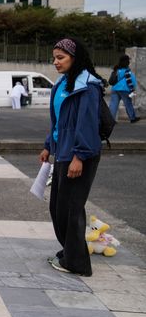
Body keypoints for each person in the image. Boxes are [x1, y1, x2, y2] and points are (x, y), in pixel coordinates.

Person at [39, 38, 104, 277]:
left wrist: (80, 156)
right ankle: (69, 251)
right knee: (58, 207)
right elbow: (59, 121)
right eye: (54, 57)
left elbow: (86, 124)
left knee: (71, 209)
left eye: (61, 58)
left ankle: (77, 263)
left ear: (74, 58)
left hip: (79, 154)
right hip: (63, 152)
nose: (55, 62)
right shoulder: (63, 83)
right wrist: (49, 146)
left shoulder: (87, 86)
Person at [108, 54, 140, 123]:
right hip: (124, 90)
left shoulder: (117, 70)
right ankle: (132, 118)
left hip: (114, 89)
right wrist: (132, 90)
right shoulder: (127, 70)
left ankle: (110, 120)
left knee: (113, 105)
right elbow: (131, 81)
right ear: (127, 61)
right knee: (128, 104)